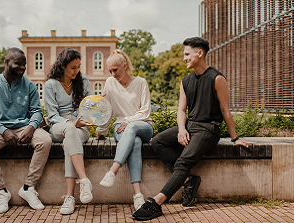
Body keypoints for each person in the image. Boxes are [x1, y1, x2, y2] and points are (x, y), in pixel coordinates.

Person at [133, 37, 255, 221]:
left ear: (200, 53)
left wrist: (235, 138)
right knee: (158, 142)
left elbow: (225, 110)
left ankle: (156, 203)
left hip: (208, 130)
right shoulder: (186, 81)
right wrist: (182, 129)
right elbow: (181, 110)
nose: (184, 58)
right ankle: (189, 180)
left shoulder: (217, 78)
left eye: (187, 54)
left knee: (183, 162)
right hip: (190, 126)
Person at [0, 47, 52, 214]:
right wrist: (3, 130)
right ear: (6, 62)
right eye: (18, 64)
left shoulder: (30, 86)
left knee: (45, 141)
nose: (22, 68)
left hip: (24, 127)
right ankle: (2, 191)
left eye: (24, 65)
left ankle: (28, 187)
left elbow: (36, 111)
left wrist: (31, 127)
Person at [96, 49, 154, 211]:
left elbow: (145, 111)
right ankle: (137, 195)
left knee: (133, 127)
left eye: (115, 70)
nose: (113, 74)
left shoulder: (141, 82)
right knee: (134, 142)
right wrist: (101, 131)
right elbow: (106, 110)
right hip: (120, 128)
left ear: (125, 65)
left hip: (143, 125)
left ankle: (113, 171)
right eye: (110, 71)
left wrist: (129, 120)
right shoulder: (110, 83)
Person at [44, 48, 94, 215]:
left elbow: (88, 107)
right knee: (69, 129)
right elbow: (52, 115)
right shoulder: (51, 85)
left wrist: (80, 120)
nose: (77, 71)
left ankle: (70, 197)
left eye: (79, 67)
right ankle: (85, 180)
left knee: (69, 142)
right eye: (73, 67)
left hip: (80, 127)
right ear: (63, 66)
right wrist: (73, 123)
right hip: (59, 125)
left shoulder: (83, 81)